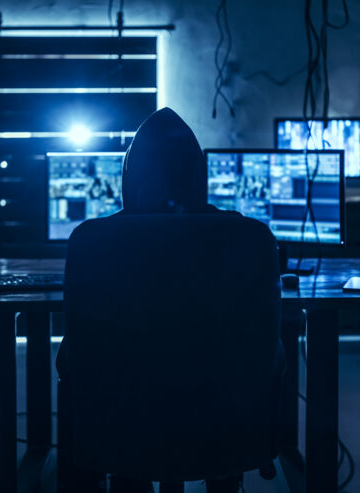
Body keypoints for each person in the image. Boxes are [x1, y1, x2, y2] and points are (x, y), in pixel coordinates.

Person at [57, 107, 282, 493]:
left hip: (122, 424)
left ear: (129, 178)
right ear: (199, 177)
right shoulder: (251, 238)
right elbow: (265, 343)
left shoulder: (91, 241)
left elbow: (77, 348)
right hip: (223, 423)